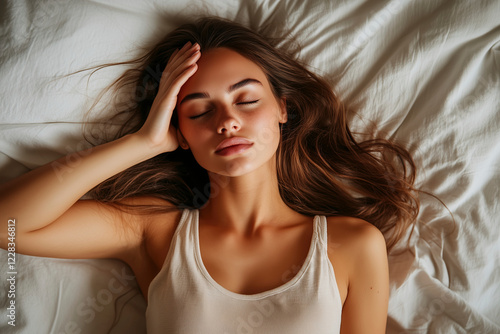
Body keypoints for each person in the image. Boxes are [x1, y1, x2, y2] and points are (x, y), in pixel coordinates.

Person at [0, 17, 421, 333]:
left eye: (247, 100)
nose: (227, 122)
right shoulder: (153, 231)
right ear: (179, 132)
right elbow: (9, 224)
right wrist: (142, 143)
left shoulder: (353, 245)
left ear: (282, 108)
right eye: (200, 110)